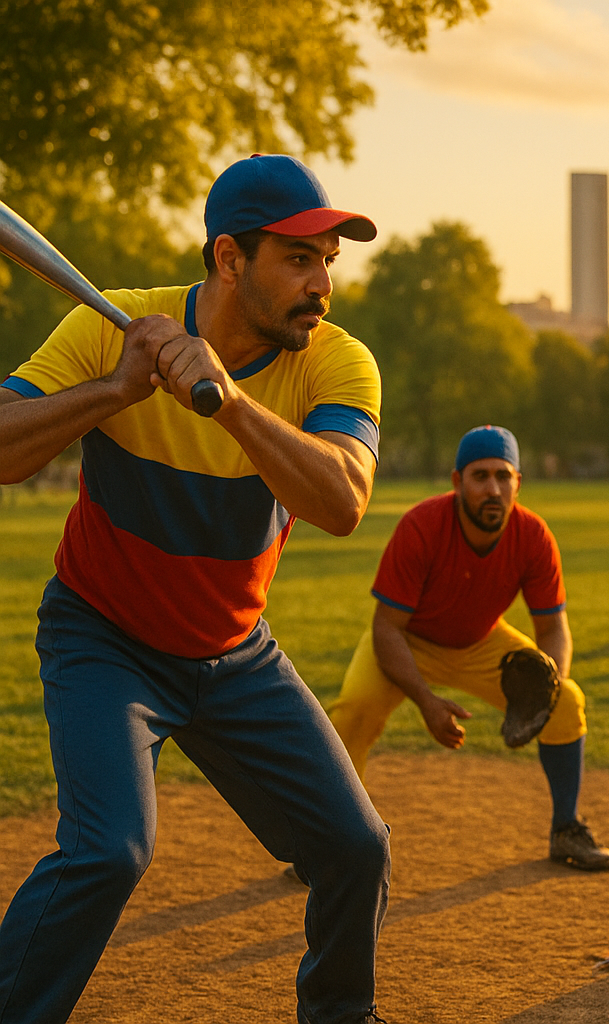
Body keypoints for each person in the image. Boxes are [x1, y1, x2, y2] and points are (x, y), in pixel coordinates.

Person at [0, 155, 390, 1023]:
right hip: (106, 638)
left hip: (232, 653)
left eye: (329, 260)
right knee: (108, 851)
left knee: (355, 847)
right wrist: (115, 390)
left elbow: (343, 501)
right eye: (298, 258)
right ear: (227, 259)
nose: (320, 283)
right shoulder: (112, 329)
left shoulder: (335, 363)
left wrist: (227, 404)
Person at [325, 425, 609, 871]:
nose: (493, 488)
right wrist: (425, 700)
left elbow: (554, 628)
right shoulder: (422, 525)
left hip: (480, 641)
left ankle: (567, 829)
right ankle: (328, 840)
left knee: (566, 702)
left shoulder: (533, 535)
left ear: (519, 482)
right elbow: (385, 628)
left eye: (504, 476)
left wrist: (545, 685)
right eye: (480, 476)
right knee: (353, 712)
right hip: (407, 641)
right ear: (458, 481)